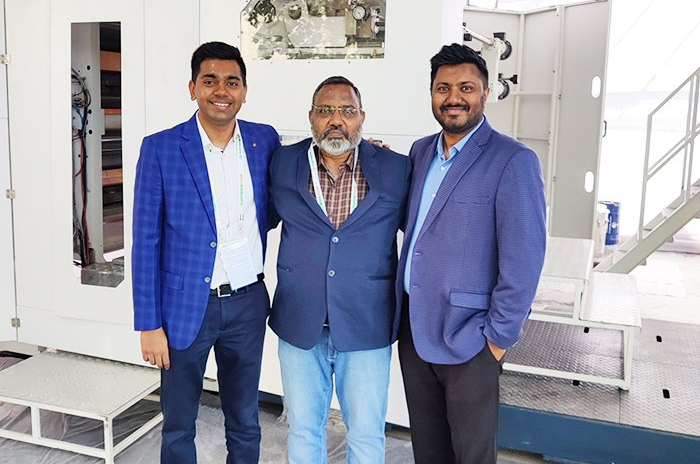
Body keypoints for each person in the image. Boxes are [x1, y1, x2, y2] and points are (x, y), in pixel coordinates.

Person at [396, 43, 547, 464]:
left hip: (471, 338)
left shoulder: (513, 160)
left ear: (485, 93)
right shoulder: (420, 152)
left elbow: (524, 260)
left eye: (466, 87)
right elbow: (420, 228)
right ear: (432, 94)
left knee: (472, 455)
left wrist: (496, 341)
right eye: (443, 88)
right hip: (415, 330)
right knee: (429, 451)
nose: (453, 98)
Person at [132, 41, 280, 464]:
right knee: (179, 423)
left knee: (245, 418)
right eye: (210, 80)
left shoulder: (264, 140)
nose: (221, 91)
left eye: (232, 82)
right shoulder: (161, 148)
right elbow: (145, 241)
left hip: (247, 303)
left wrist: (362, 152)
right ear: (192, 87)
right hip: (184, 308)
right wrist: (148, 324)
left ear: (244, 91)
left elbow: (286, 191)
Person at [268, 76, 411, 464]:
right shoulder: (282, 163)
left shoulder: (396, 168)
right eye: (326, 110)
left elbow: (422, 235)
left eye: (347, 111)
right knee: (303, 428)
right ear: (311, 117)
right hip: (300, 323)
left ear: (361, 117)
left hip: (366, 324)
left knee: (365, 433)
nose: (336, 120)